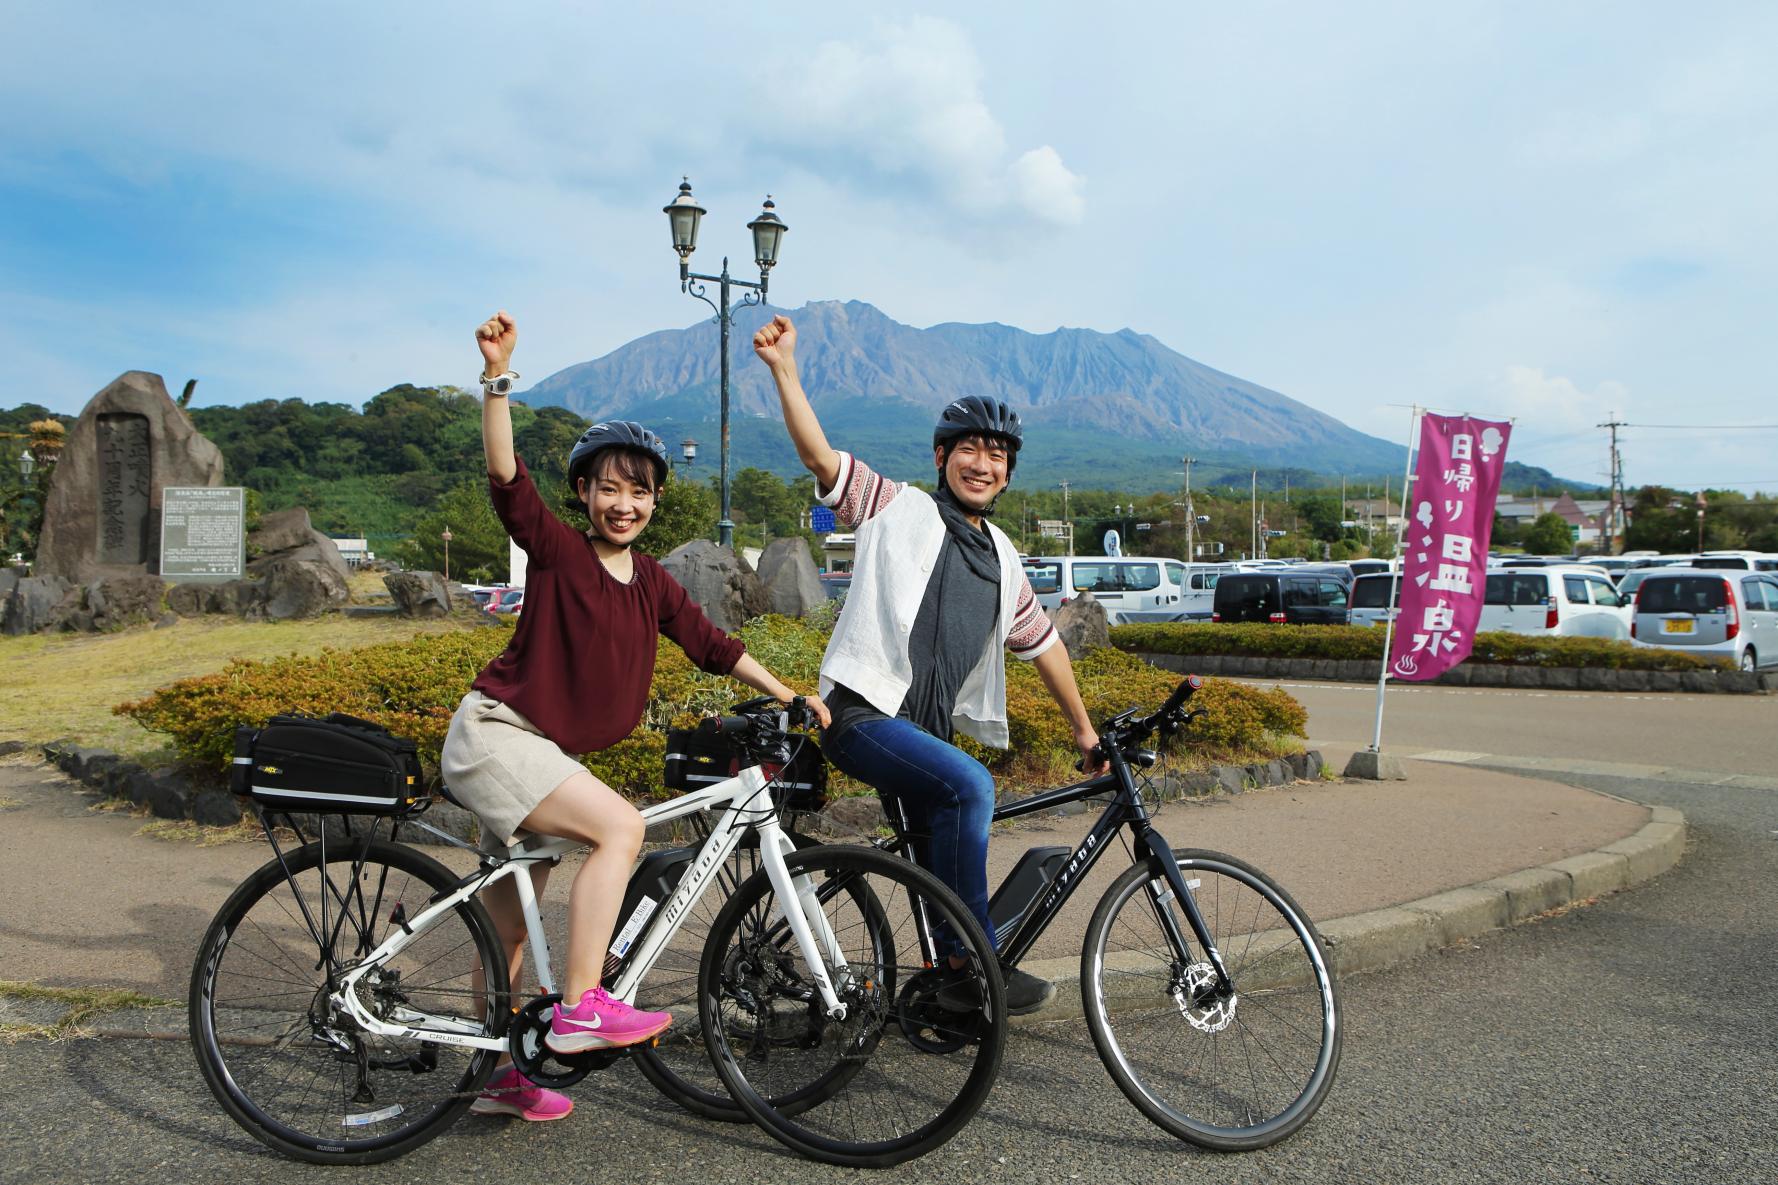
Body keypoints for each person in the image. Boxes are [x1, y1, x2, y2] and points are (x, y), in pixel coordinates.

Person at [443, 310, 829, 1121]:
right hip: (498, 736)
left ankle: (499, 1072)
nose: (624, 503)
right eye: (609, 487)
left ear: (655, 501)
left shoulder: (651, 581)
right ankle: (583, 1006)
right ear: (584, 492)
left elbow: (712, 643)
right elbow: (508, 483)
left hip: (539, 752)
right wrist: (497, 380)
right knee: (620, 829)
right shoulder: (557, 550)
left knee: (507, 926)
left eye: (640, 490)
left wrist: (787, 692)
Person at [752, 312, 1102, 1015]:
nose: (984, 463)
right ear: (941, 458)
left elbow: (1046, 645)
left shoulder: (1004, 559)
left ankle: (944, 978)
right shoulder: (894, 506)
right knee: (970, 784)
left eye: (998, 454)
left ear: (1007, 472)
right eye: (968, 449)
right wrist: (785, 369)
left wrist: (1085, 730)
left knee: (938, 849)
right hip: (860, 716)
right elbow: (823, 459)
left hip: (923, 735)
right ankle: (976, 966)